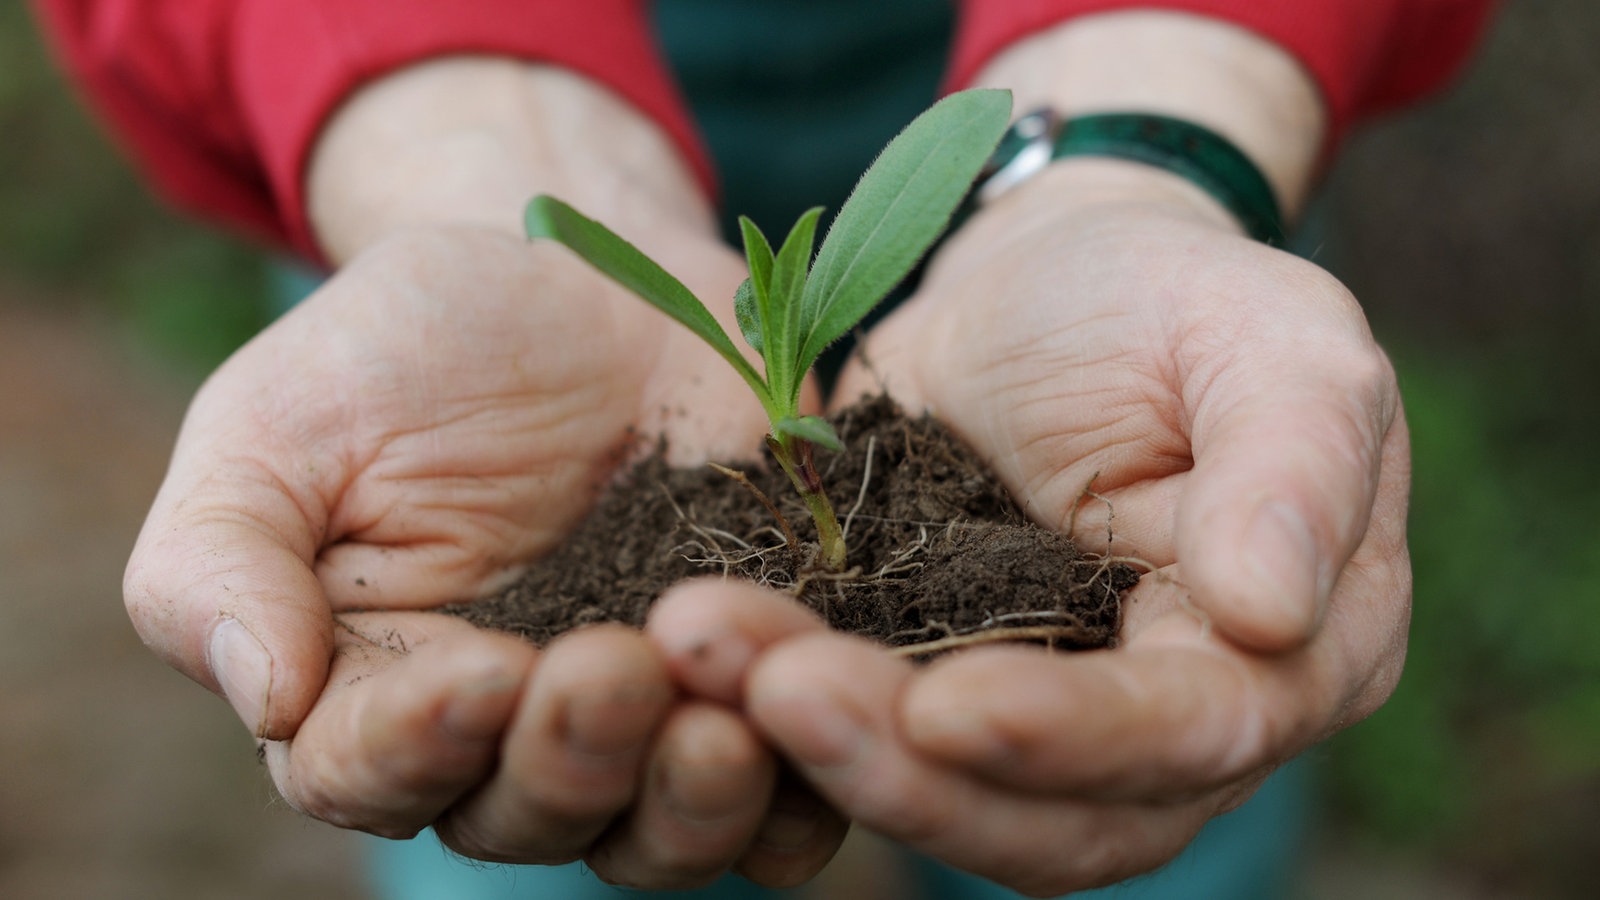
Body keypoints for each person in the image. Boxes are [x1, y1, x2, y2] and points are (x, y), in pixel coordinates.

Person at [35, 0, 1497, 896]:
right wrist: (466, 149)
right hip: (437, 140)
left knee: (1137, 786)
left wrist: (1153, 142)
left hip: (1085, 119)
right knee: (547, 786)